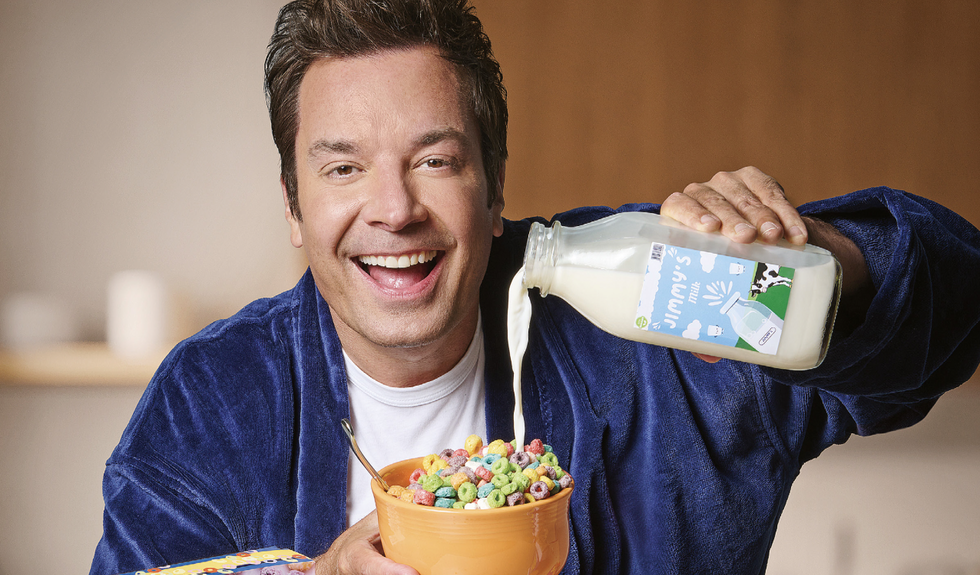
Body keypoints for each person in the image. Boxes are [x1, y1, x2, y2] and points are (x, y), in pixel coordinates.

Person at [90, 0, 980, 573]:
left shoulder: (650, 322)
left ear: (495, 188)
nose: (393, 210)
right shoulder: (211, 400)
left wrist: (819, 259)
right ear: (293, 205)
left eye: (435, 160)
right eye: (344, 168)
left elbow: (959, 302)